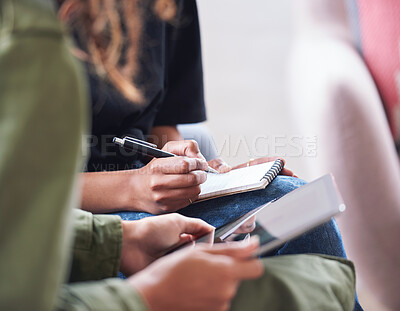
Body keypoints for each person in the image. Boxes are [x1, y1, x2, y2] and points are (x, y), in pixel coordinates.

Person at [0, 0, 359, 310]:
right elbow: (20, 198)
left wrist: (184, 162)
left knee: (294, 206)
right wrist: (131, 188)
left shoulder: (166, 7)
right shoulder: (27, 40)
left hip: (143, 204)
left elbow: (163, 123)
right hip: (75, 212)